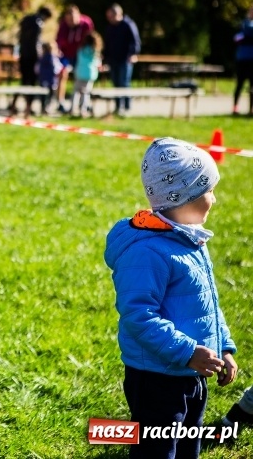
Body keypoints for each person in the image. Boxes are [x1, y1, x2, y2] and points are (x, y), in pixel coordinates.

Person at [104, 137, 238, 459]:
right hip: (157, 378)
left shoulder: (188, 239)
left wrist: (225, 346)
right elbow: (139, 316)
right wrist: (187, 351)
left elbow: (207, 302)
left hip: (191, 370)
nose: (214, 199)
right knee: (157, 450)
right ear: (185, 198)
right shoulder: (148, 251)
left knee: (187, 445)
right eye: (209, 191)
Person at [11, 5, 52, 115]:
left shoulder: (27, 19)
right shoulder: (38, 23)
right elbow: (36, 42)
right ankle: (27, 109)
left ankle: (13, 105)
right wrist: (39, 57)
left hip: (23, 55)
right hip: (32, 57)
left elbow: (20, 38)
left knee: (23, 82)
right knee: (32, 83)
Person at [103, 3, 141, 116]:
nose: (110, 19)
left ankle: (127, 107)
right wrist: (105, 59)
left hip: (125, 59)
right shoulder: (110, 28)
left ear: (118, 14)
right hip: (113, 60)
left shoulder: (128, 24)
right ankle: (118, 107)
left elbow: (136, 42)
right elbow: (107, 45)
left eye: (111, 16)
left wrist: (133, 54)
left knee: (124, 83)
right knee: (115, 83)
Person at [55, 5, 94, 110]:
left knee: (83, 76)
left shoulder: (86, 24)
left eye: (73, 19)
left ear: (78, 16)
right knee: (62, 73)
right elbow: (59, 41)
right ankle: (60, 102)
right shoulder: (64, 25)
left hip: (81, 55)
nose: (71, 22)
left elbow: (91, 40)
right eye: (68, 20)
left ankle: (84, 102)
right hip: (67, 55)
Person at [70, 32, 101, 117]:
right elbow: (97, 63)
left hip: (79, 72)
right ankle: (83, 110)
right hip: (89, 74)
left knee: (76, 91)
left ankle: (72, 108)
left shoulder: (81, 50)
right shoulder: (94, 51)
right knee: (86, 93)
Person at [232, 5, 253, 116]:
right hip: (242, 59)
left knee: (252, 86)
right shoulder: (242, 24)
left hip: (252, 59)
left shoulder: (246, 26)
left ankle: (251, 109)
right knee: (239, 83)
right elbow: (236, 38)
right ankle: (235, 107)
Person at [35, 41, 63, 115]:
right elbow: (57, 68)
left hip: (42, 80)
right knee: (50, 96)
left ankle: (43, 108)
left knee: (43, 96)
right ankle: (47, 108)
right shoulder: (53, 58)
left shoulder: (41, 58)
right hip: (51, 81)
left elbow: (36, 69)